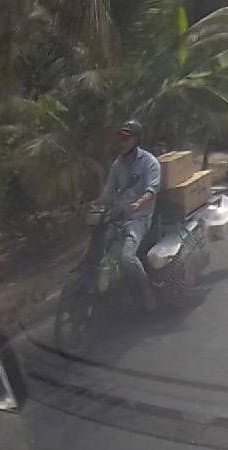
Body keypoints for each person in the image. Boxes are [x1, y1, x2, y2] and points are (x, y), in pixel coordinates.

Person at [90, 120, 161, 311]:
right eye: (120, 138)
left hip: (139, 218)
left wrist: (138, 204)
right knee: (97, 252)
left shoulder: (149, 162)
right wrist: (95, 203)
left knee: (127, 258)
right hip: (117, 218)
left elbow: (152, 190)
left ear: (136, 140)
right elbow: (108, 194)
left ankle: (147, 293)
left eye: (126, 138)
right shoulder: (117, 164)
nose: (122, 142)